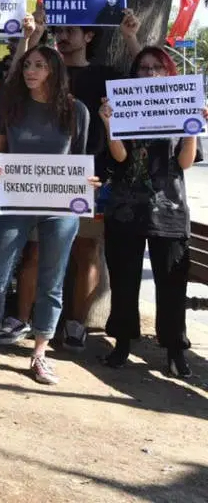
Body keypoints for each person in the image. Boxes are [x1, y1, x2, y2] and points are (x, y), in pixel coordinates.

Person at [0, 44, 94, 385]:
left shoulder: (76, 110)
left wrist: (87, 181)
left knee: (52, 281)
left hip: (59, 207)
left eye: (38, 65)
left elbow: (79, 160)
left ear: (54, 70)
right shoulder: (13, 107)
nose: (30, 71)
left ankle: (39, 354)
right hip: (15, 202)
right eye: (26, 66)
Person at [98, 47, 203, 376]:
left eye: (157, 67)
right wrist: (109, 123)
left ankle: (175, 349)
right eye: (143, 68)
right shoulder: (124, 105)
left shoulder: (181, 104)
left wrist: (191, 131)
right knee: (125, 282)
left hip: (169, 211)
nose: (149, 73)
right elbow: (119, 158)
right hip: (126, 210)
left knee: (171, 286)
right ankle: (123, 344)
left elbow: (184, 163)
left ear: (169, 72)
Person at [39, 13, 140, 349]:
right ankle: (33, 323)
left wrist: (130, 38)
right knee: (36, 251)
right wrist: (35, 32)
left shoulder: (106, 76)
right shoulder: (42, 72)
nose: (63, 36)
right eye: (59, 31)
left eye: (71, 31)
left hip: (91, 179)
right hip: (40, 178)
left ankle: (75, 326)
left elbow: (146, 91)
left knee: (87, 250)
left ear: (90, 37)